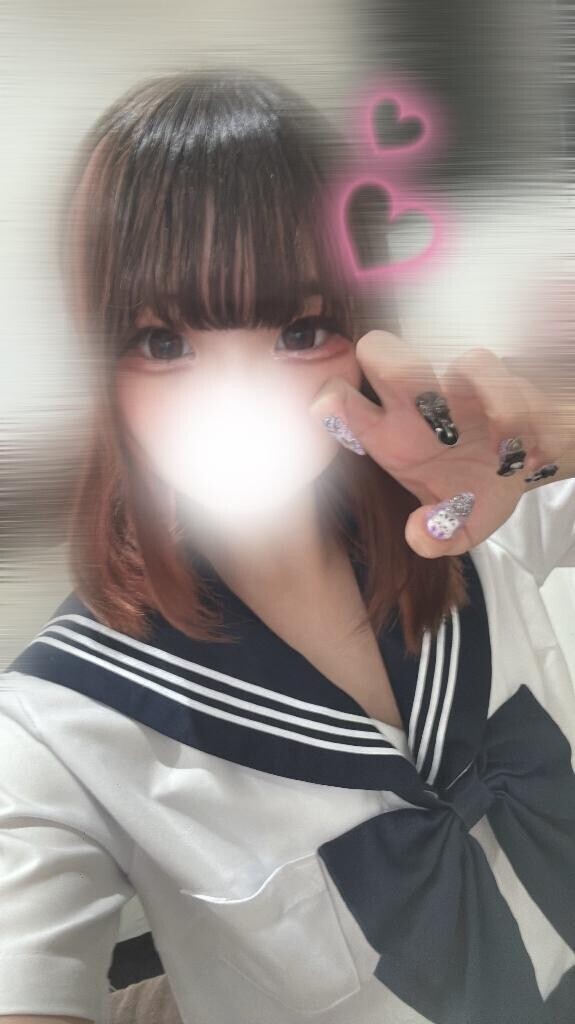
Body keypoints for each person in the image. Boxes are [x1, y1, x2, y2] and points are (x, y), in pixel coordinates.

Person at [0, 67, 574, 1024]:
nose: (240, 395)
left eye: (301, 329)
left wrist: (556, 426)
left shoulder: (474, 524)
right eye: (163, 342)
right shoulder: (59, 727)